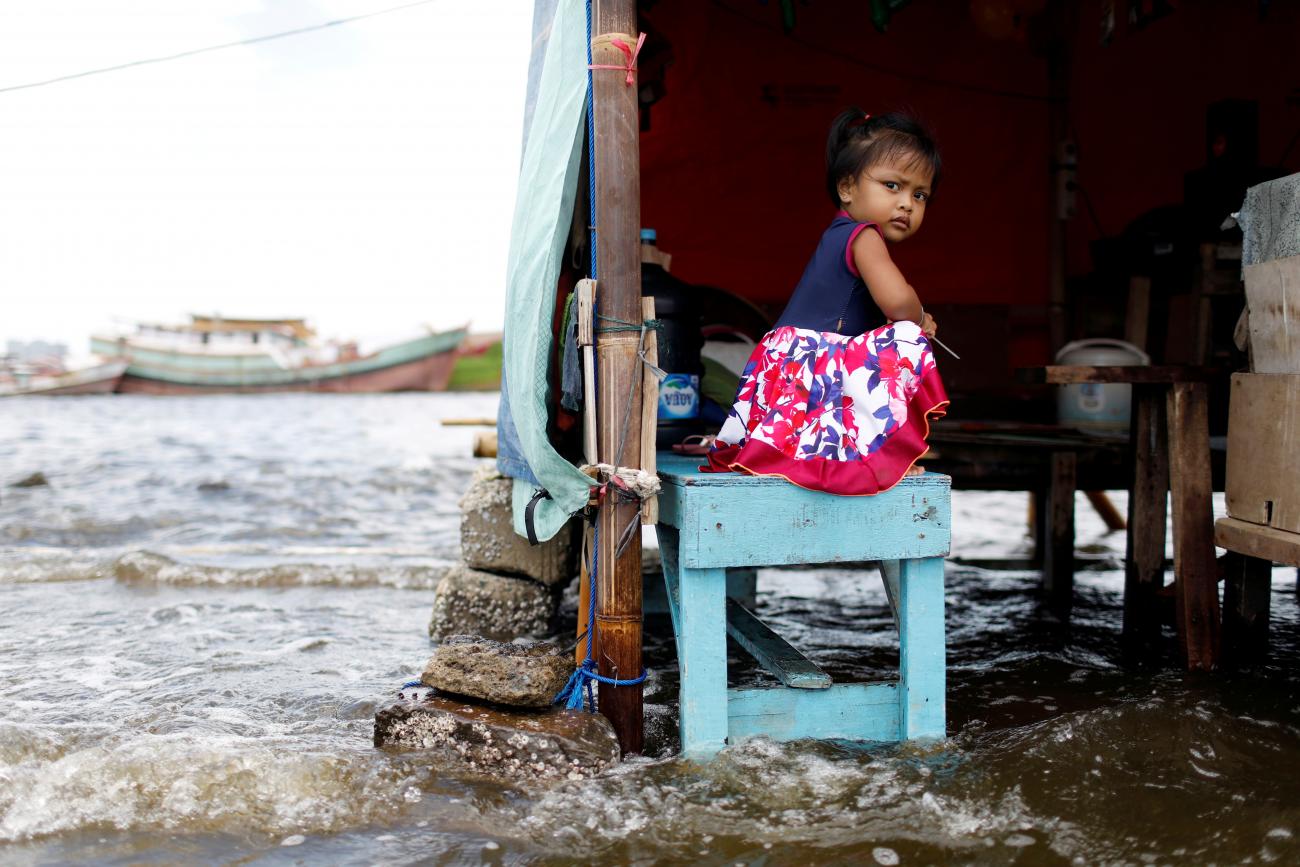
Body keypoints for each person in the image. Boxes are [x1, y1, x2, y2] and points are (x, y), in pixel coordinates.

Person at [701, 109, 949, 495]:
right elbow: (899, 302)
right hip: (812, 362)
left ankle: (849, 455)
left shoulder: (840, 233)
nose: (907, 204)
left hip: (788, 367)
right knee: (905, 338)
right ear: (847, 187)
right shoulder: (863, 235)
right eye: (892, 186)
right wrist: (920, 319)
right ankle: (886, 454)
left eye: (920, 195)